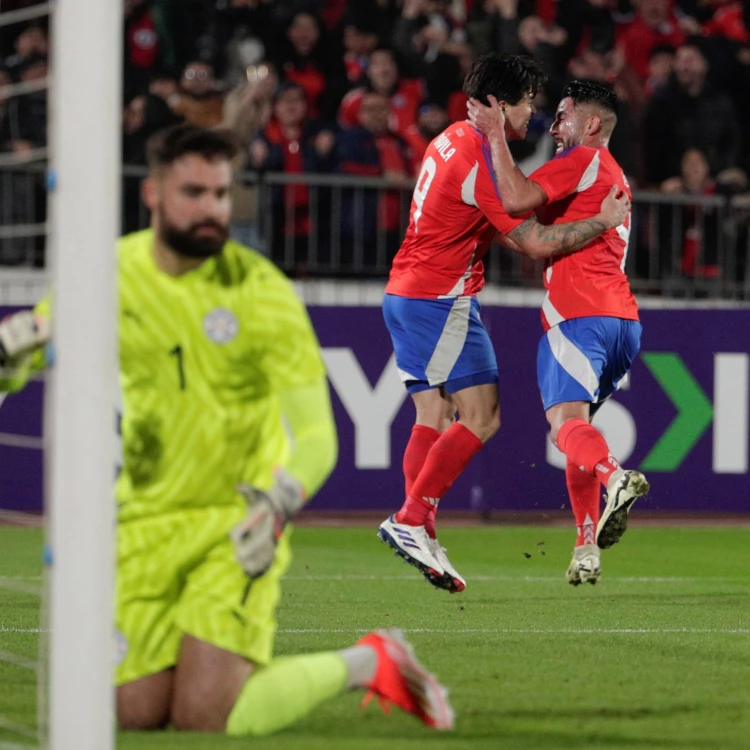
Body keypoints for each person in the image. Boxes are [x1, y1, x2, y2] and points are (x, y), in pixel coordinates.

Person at [0, 124, 454, 735]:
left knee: (205, 716)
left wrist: (279, 502)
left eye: (220, 193)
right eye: (194, 192)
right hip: (142, 523)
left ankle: (369, 661)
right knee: (132, 713)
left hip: (235, 522)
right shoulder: (107, 275)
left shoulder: (262, 294)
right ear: (154, 195)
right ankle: (369, 659)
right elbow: (27, 350)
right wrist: (9, 358)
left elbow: (318, 434)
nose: (212, 208)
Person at [378, 54, 630, 594]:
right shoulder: (478, 161)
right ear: (499, 105)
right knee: (483, 416)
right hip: (439, 298)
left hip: (412, 290)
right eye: (528, 103)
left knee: (431, 409)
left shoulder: (449, 137)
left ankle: (418, 525)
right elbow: (534, 241)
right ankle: (411, 518)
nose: (533, 115)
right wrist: (600, 221)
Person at [467, 80, 650, 586]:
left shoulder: (585, 159)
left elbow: (518, 196)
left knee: (564, 426)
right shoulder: (614, 175)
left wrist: (494, 137)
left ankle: (616, 477)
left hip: (578, 314)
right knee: (577, 430)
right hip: (623, 323)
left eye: (565, 115)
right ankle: (586, 547)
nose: (555, 125)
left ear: (591, 124)